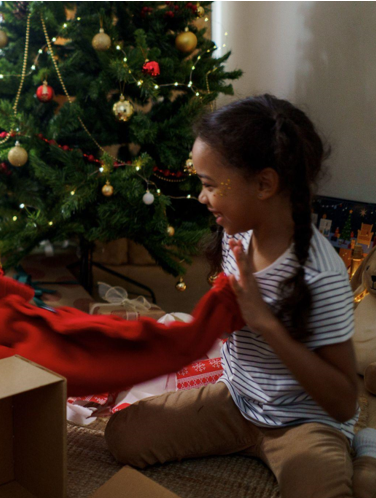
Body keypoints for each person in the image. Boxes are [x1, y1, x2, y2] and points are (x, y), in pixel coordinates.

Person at [104, 95, 376, 497]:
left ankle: (366, 451)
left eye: (210, 185)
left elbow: (342, 402)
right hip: (237, 400)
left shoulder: (322, 274)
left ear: (265, 184)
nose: (201, 197)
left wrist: (266, 322)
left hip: (304, 421)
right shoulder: (238, 233)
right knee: (123, 436)